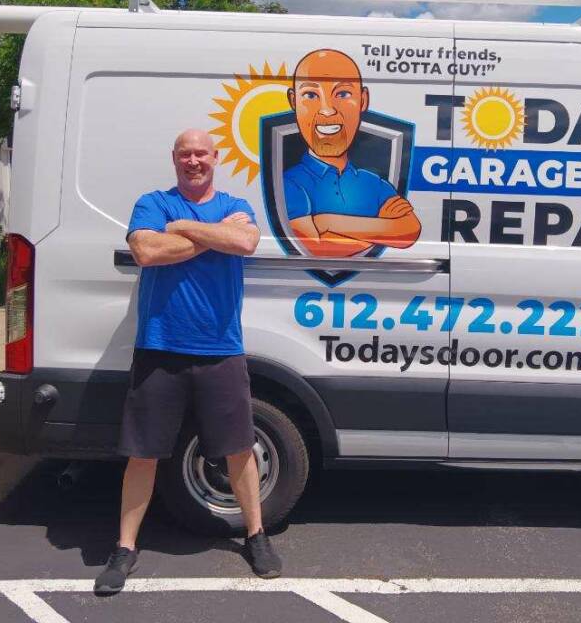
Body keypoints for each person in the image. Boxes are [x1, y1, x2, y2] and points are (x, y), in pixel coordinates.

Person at [94, 128, 281, 595]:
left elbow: (246, 244)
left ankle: (255, 536)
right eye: (185, 154)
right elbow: (147, 250)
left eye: (201, 153)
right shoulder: (153, 202)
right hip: (160, 347)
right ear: (174, 159)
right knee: (143, 453)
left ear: (216, 158)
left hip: (220, 348)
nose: (193, 160)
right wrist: (214, 237)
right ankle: (124, 548)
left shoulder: (237, 205)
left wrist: (183, 230)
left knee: (239, 448)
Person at [283, 48, 421, 257]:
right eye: (310, 95)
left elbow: (409, 231)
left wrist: (326, 221)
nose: (327, 110)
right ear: (294, 101)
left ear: (363, 100)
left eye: (343, 94)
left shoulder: (373, 182)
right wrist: (382, 227)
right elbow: (313, 246)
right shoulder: (287, 183)